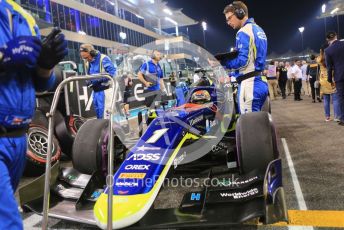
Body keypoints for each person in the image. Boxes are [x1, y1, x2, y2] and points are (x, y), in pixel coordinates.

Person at [0, 1, 67, 228]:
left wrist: (46, 64)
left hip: (18, 136)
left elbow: (40, 82)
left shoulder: (25, 17)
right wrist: (4, 59)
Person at [223, 1, 268, 113]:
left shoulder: (243, 31)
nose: (228, 22)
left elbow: (243, 61)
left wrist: (224, 63)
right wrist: (233, 74)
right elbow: (252, 61)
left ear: (240, 13)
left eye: (229, 18)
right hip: (260, 82)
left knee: (250, 128)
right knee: (258, 123)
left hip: (250, 85)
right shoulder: (259, 29)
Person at [80, 43, 116, 119]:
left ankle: (109, 130)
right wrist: (89, 81)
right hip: (96, 92)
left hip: (105, 91)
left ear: (92, 53)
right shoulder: (88, 63)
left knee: (106, 116)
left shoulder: (103, 59)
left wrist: (98, 80)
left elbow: (112, 72)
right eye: (84, 58)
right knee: (99, 115)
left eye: (86, 57)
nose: (86, 60)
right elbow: (89, 75)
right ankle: (102, 130)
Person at [325, 31, 344, 125]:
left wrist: (329, 79)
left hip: (340, 76)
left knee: (341, 98)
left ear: (327, 39)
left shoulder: (328, 50)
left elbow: (329, 67)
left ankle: (343, 119)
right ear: (336, 36)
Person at [317, 43, 339, 122]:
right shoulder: (332, 57)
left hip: (323, 80)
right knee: (335, 99)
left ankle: (327, 117)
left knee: (326, 99)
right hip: (332, 79)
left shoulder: (319, 59)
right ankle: (336, 117)